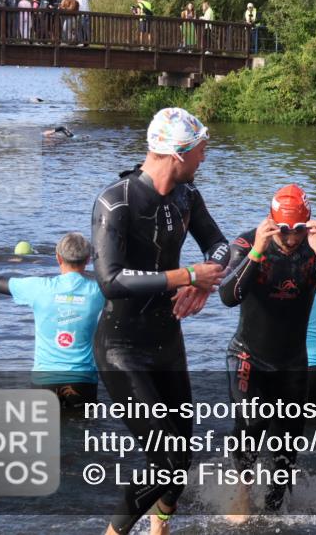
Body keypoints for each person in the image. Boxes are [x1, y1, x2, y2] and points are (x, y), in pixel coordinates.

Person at [91, 107, 228, 535]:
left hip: (167, 342)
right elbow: (110, 280)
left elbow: (221, 247)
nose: (204, 157)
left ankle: (159, 529)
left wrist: (205, 282)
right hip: (121, 348)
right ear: (177, 152)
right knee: (166, 460)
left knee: (181, 459)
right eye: (201, 149)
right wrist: (186, 275)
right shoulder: (116, 201)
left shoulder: (188, 196)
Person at [218, 183, 316, 518]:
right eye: (283, 231)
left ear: (307, 223)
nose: (291, 239)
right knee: (250, 422)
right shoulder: (247, 242)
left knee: (288, 443)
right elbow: (227, 296)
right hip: (248, 355)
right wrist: (257, 252)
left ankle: (276, 507)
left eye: (297, 231)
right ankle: (243, 491)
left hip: (293, 362)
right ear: (271, 221)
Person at [0, 218, 105, 408]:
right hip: (83, 381)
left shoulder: (39, 288)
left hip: (45, 380)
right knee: (84, 432)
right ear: (87, 259)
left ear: (58, 258)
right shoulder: (99, 290)